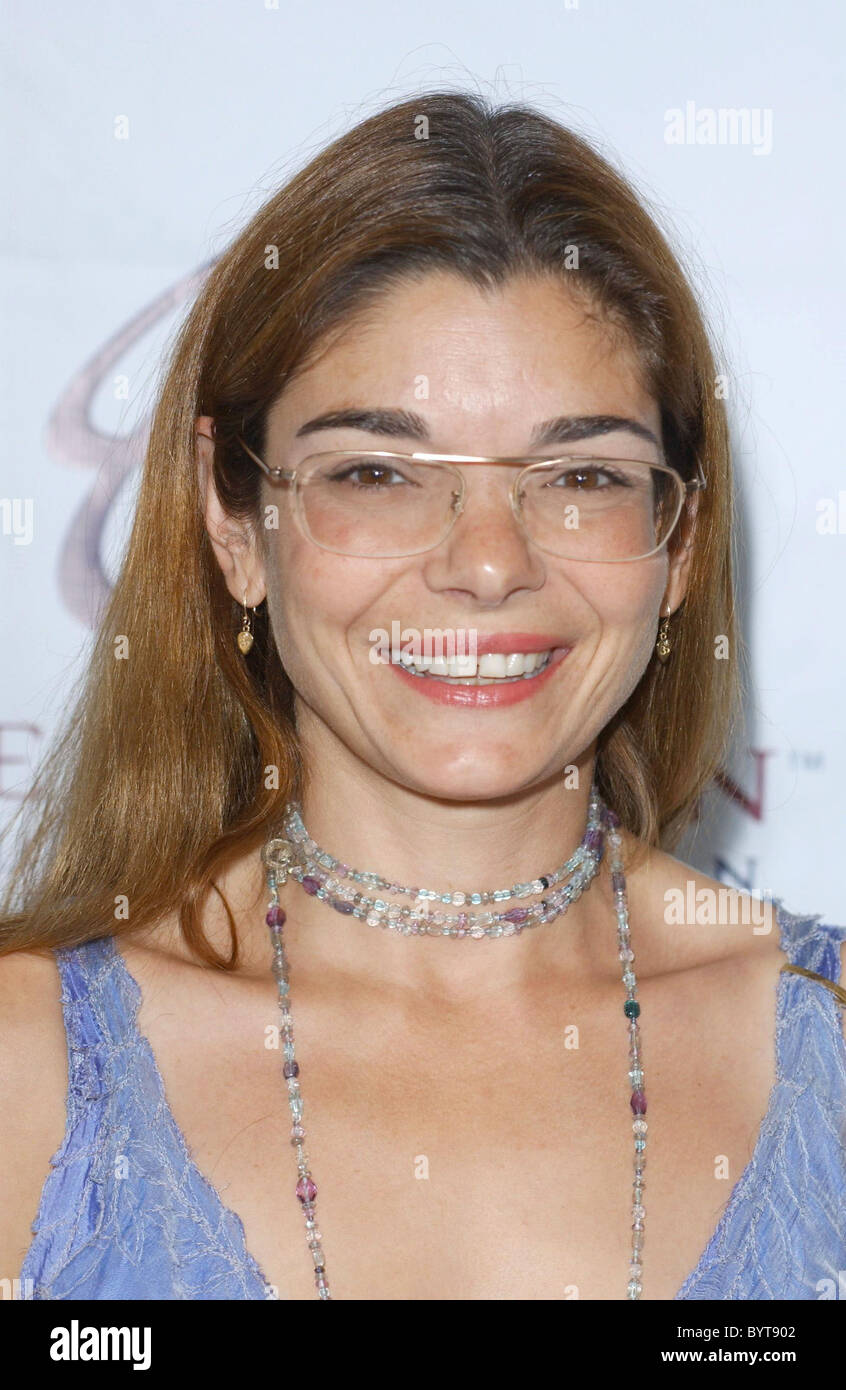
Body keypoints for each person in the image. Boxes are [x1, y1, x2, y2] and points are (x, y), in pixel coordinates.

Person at [1, 91, 843, 1303]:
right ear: (234, 521)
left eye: (580, 475)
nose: (489, 562)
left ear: (681, 540)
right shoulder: (24, 1069)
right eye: (377, 472)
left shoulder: (829, 1031)